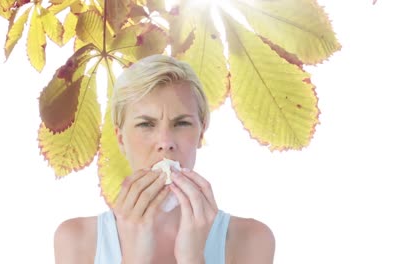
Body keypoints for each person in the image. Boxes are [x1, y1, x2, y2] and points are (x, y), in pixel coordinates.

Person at [54, 54, 275, 264]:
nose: (165, 141)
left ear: (201, 133)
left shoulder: (251, 239)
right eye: (146, 124)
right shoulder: (76, 239)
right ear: (121, 139)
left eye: (181, 123)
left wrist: (193, 259)